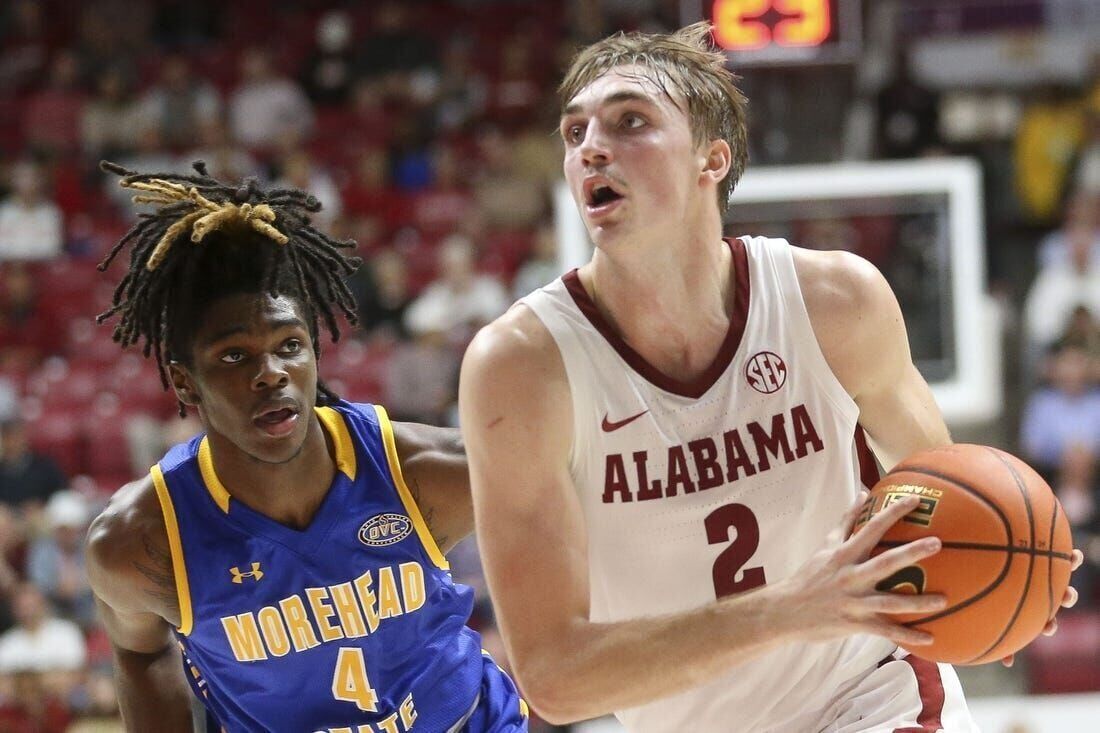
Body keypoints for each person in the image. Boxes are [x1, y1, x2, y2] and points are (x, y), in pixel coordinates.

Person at [459, 24, 1083, 731]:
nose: (590, 147)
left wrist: (1016, 570)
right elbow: (554, 681)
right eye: (574, 133)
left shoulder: (834, 302)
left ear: (711, 158)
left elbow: (948, 497)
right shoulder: (519, 368)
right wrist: (789, 609)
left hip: (873, 698)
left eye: (630, 120)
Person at [86, 161, 527, 732]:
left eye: (289, 345)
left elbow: (566, 505)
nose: (271, 373)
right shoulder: (143, 542)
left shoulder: (424, 473)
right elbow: (139, 653)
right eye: (234, 356)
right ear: (185, 382)